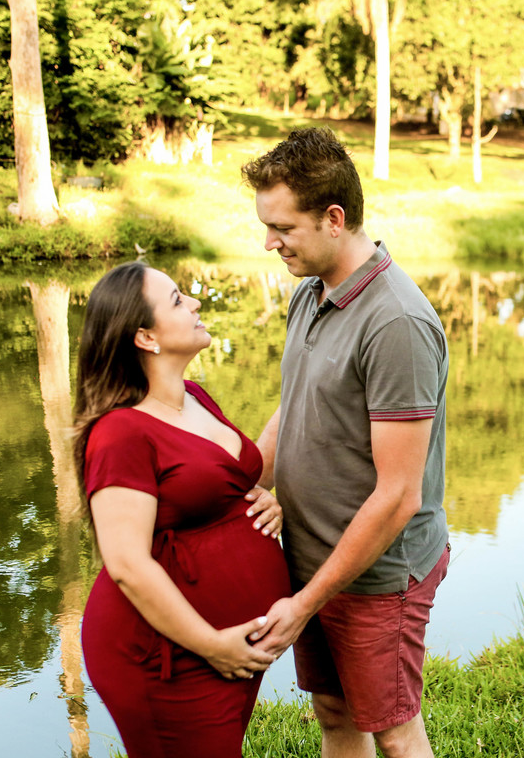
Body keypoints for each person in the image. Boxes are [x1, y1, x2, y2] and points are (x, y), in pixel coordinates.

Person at [242, 128, 450, 758]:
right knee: (334, 712)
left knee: (395, 734)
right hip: (314, 561)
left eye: (283, 228)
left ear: (334, 219)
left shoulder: (396, 323)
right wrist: (243, 485)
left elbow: (399, 495)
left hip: (376, 574)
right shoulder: (311, 292)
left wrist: (303, 604)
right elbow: (295, 403)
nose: (270, 242)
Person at [73, 261, 292, 758]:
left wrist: (262, 500)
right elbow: (127, 564)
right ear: (145, 338)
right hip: (167, 655)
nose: (194, 301)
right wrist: (212, 645)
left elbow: (219, 485)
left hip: (230, 646)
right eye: (176, 299)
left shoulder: (194, 397)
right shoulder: (119, 433)